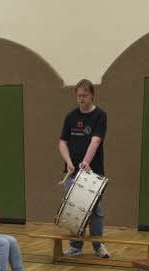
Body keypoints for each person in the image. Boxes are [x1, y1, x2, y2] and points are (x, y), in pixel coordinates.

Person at [59, 79, 109, 258]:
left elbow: (95, 141)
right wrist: (68, 162)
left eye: (85, 95)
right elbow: (62, 142)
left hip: (93, 172)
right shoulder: (70, 117)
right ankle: (75, 246)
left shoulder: (100, 115)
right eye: (78, 96)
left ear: (92, 94)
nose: (81, 99)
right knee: (74, 209)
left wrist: (86, 162)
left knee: (95, 210)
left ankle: (98, 245)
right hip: (72, 173)